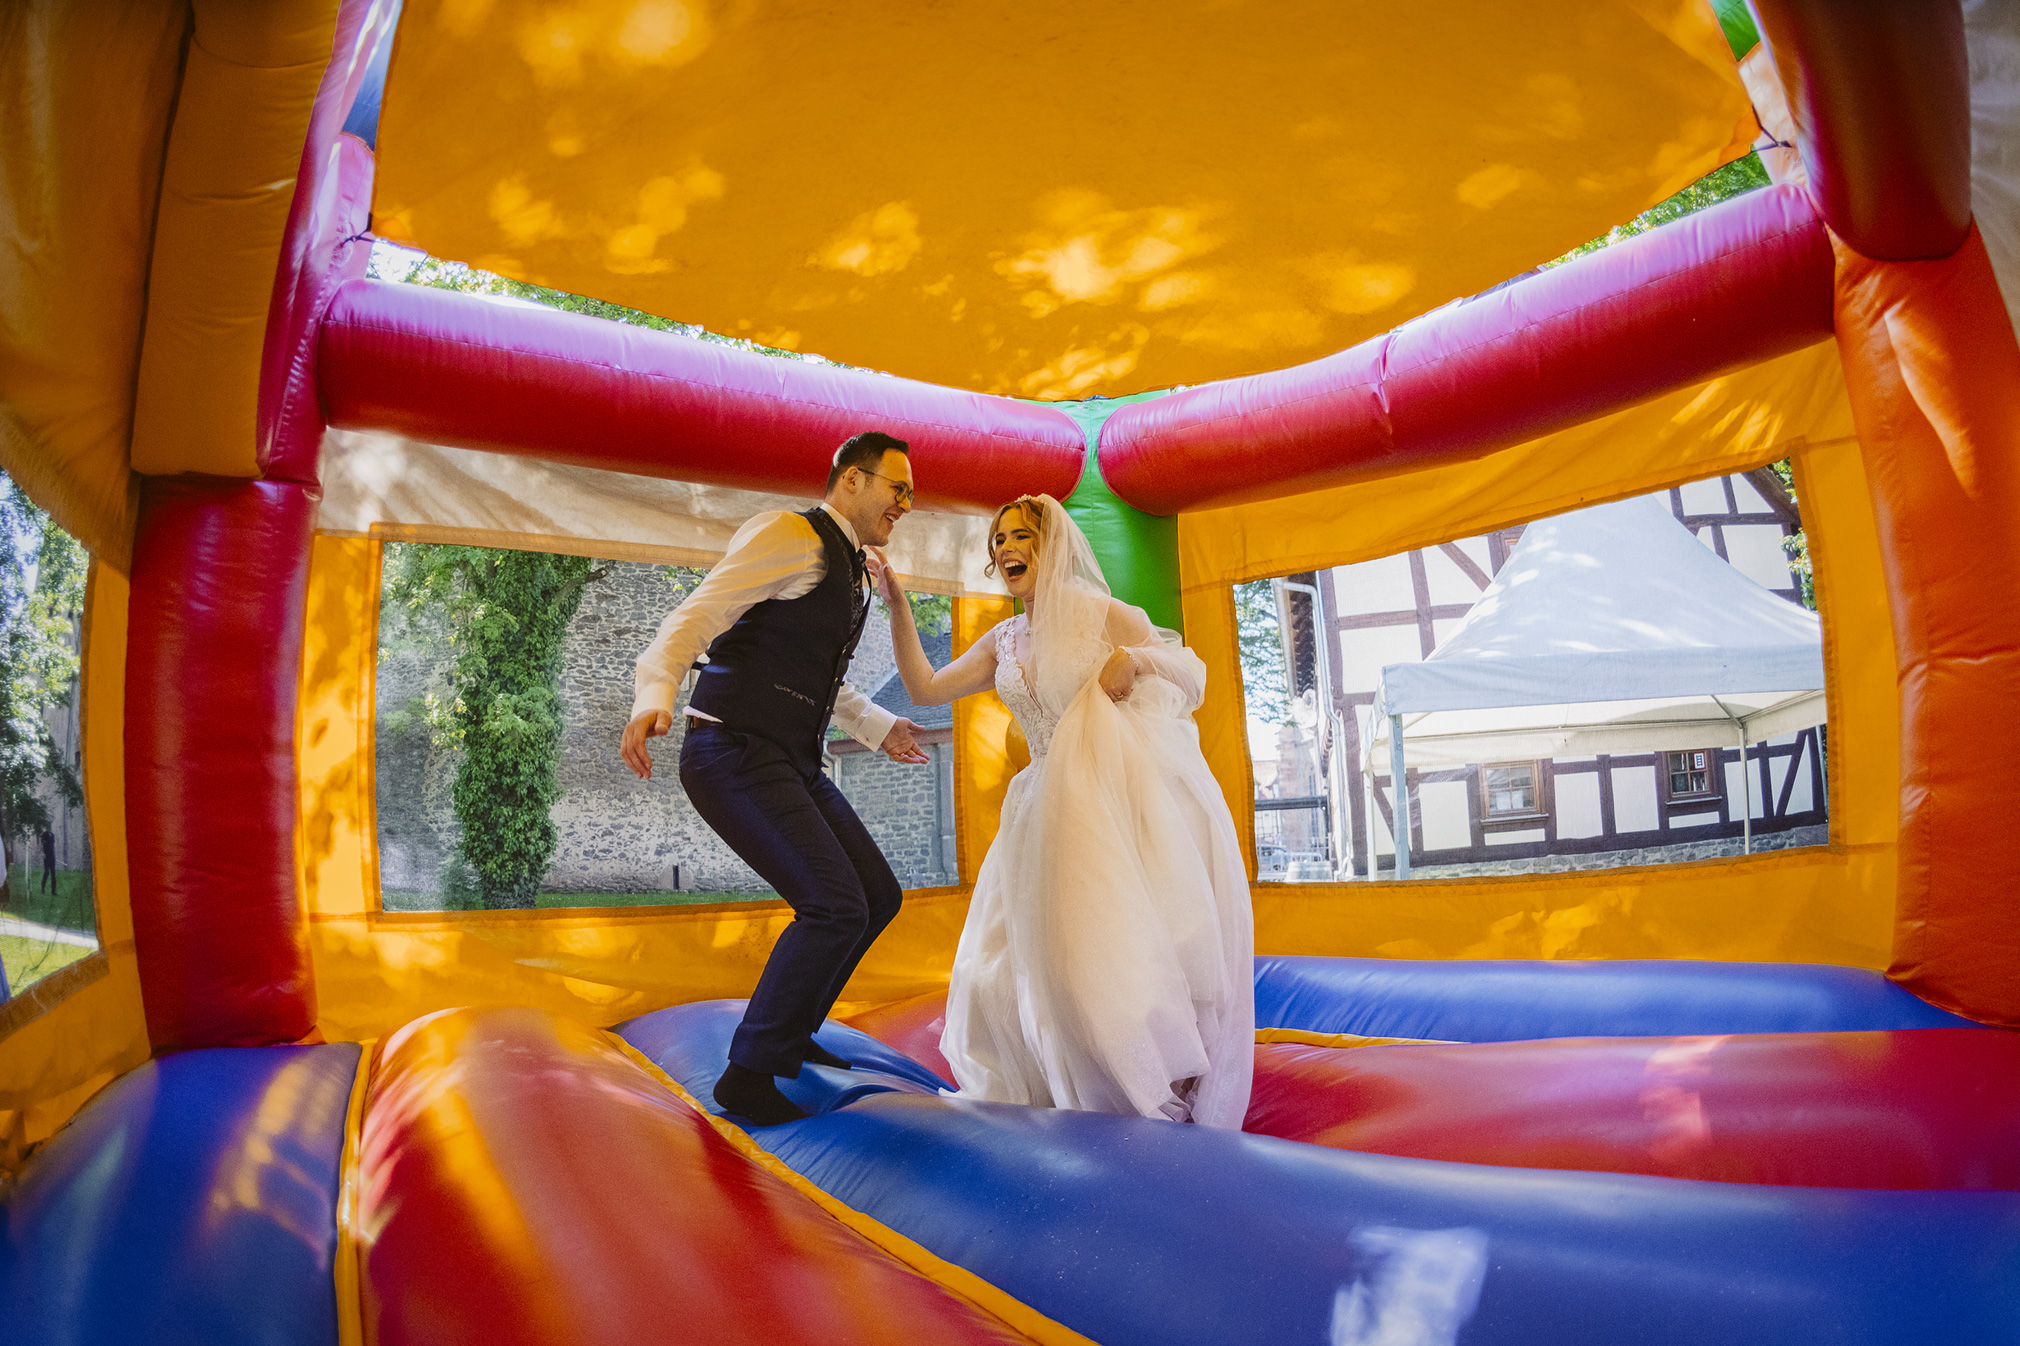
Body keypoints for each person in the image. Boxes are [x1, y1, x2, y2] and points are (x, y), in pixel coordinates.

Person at [876, 494, 1254, 1127]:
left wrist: (1132, 660)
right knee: (1010, 966)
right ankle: (1057, 1089)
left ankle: (1148, 1094)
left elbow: (1190, 672)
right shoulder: (1005, 639)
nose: (1005, 548)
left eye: (1020, 536)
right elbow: (925, 688)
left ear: (1052, 547)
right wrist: (898, 607)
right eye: (998, 540)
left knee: (1110, 956)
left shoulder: (1103, 615)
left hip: (1108, 803)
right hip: (1039, 808)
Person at [621, 431, 931, 1127]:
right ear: (852, 480)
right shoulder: (791, 535)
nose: (907, 504)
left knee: (875, 896)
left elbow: (810, 673)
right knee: (834, 904)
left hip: (789, 756)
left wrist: (881, 726)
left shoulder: (853, 570)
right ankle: (748, 1075)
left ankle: (791, 1033)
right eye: (898, 488)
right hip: (731, 749)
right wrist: (653, 694)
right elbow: (697, 615)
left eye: (912, 493)